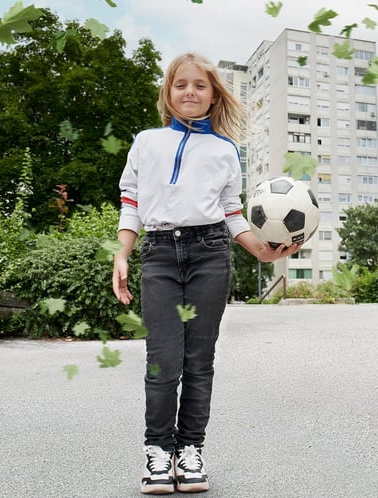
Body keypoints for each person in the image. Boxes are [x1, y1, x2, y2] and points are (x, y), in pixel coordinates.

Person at [112, 53, 299, 495]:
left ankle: (190, 451)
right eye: (181, 84)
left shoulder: (225, 149)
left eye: (200, 85)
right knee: (162, 361)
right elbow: (131, 202)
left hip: (211, 253)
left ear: (214, 95)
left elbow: (232, 212)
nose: (190, 92)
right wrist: (123, 253)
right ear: (168, 92)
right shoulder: (146, 142)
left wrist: (261, 251)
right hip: (158, 255)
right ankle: (157, 453)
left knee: (199, 362)